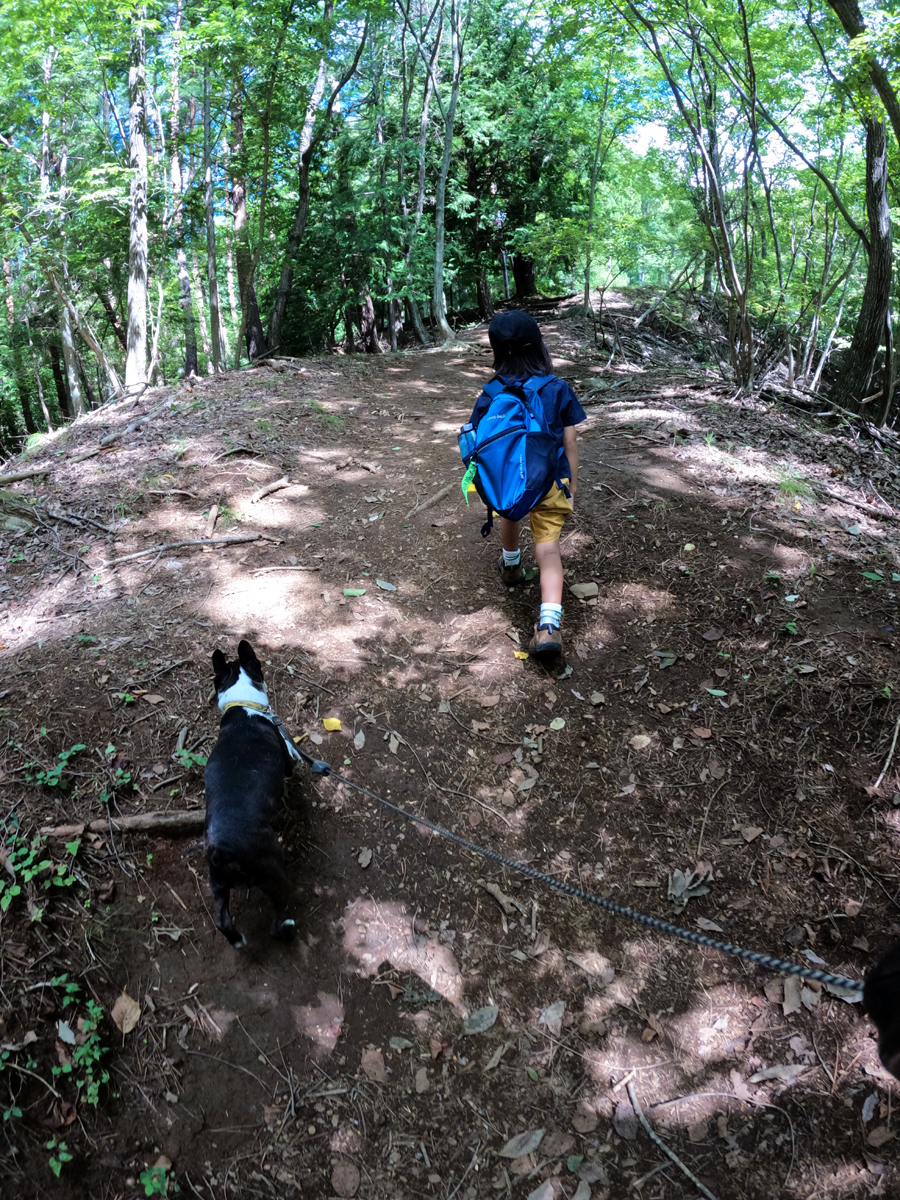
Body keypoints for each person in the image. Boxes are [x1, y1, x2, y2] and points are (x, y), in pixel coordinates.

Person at [467, 310, 586, 655]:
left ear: (497, 353)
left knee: (510, 512)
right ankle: (549, 626)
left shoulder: (491, 392)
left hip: (510, 483)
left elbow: (479, 437)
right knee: (548, 549)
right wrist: (572, 485)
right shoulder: (557, 389)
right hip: (549, 482)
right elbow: (571, 443)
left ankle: (512, 564)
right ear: (539, 348)